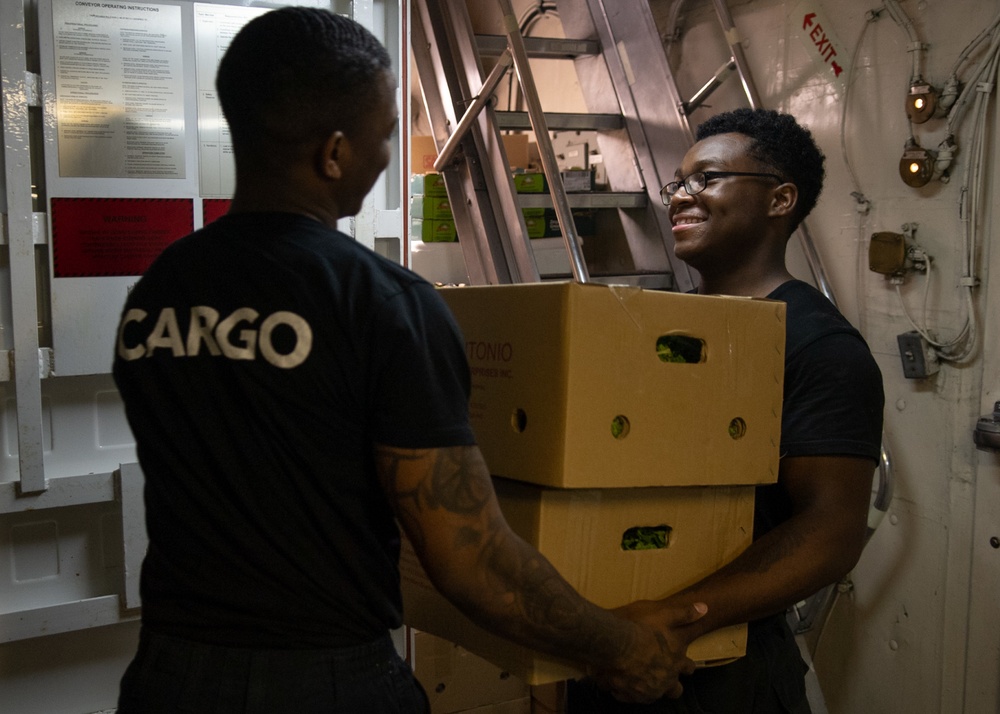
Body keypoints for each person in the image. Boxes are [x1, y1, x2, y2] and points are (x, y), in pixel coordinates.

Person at [112, 7, 706, 713]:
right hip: (322, 685)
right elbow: (473, 559)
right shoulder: (384, 303)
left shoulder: (160, 290)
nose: (389, 154)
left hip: (167, 678)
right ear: (333, 154)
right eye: (384, 135)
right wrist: (621, 647)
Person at [567, 108, 885, 713]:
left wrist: (677, 619)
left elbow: (831, 532)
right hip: (618, 645)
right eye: (677, 184)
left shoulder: (822, 346)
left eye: (706, 179)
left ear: (779, 199)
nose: (681, 198)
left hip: (720, 670)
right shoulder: (660, 328)